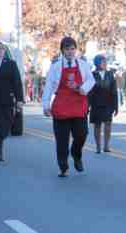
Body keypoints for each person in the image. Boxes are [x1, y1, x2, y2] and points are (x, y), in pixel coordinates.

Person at [42, 37, 95, 177]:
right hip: (61, 107)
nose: (71, 52)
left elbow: (91, 80)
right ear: (62, 50)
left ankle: (76, 154)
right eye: (67, 49)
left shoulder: (83, 64)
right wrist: (46, 105)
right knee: (62, 140)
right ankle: (63, 166)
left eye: (73, 49)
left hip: (79, 105)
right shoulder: (55, 66)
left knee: (82, 134)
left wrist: (82, 88)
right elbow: (48, 86)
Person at [89, 54, 118, 153]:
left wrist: (116, 106)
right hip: (96, 104)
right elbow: (89, 92)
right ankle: (98, 146)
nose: (105, 64)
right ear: (97, 63)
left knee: (108, 125)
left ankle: (106, 146)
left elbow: (114, 91)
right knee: (97, 125)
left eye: (105, 62)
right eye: (103, 62)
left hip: (108, 103)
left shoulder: (110, 74)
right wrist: (87, 106)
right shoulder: (92, 75)